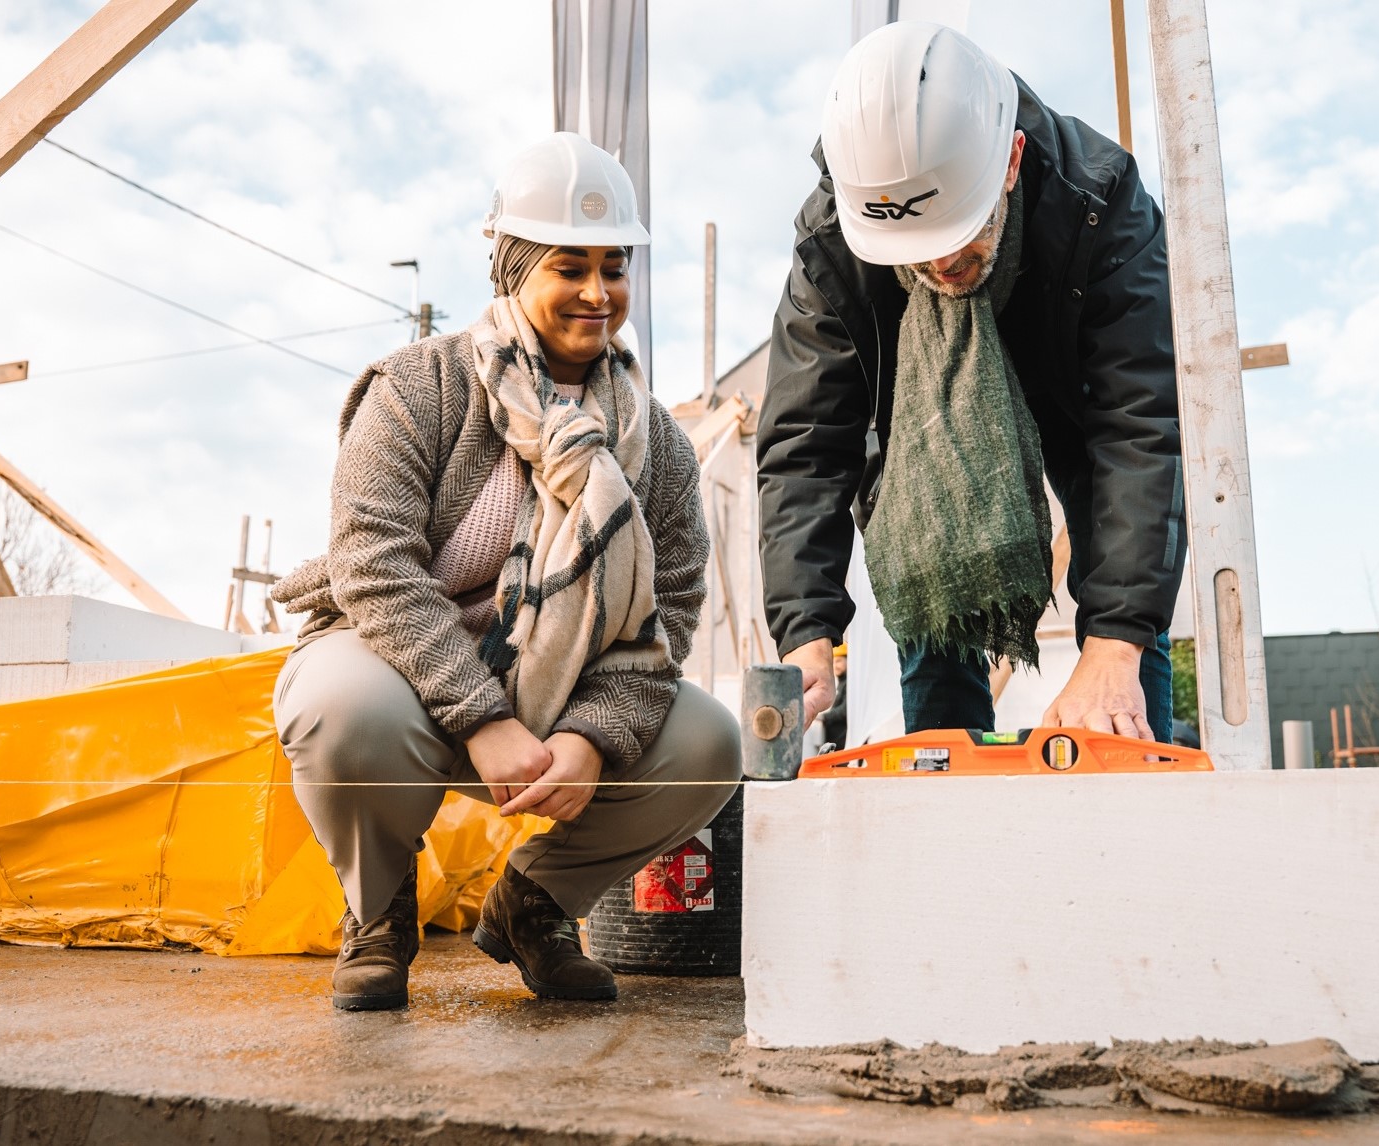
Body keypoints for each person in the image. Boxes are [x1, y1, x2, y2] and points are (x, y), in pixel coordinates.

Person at [270, 133, 740, 1010]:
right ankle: (377, 916)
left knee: (708, 742)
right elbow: (373, 561)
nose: (599, 294)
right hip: (403, 671)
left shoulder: (657, 445)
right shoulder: (419, 386)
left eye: (616, 267)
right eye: (571, 267)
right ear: (516, 267)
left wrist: (595, 735)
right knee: (341, 710)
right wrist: (480, 717)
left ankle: (536, 906)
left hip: (560, 692)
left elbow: (666, 614)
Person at [759, 22, 1184, 742]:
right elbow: (806, 443)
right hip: (926, 425)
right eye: (914, 251)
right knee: (931, 562)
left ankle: (1130, 763)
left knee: (1123, 639)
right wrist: (806, 631)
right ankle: (946, 813)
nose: (942, 266)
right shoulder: (835, 238)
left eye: (961, 232)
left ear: (1012, 160)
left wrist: (1116, 643)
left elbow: (1139, 425)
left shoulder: (1101, 203)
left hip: (1069, 381)